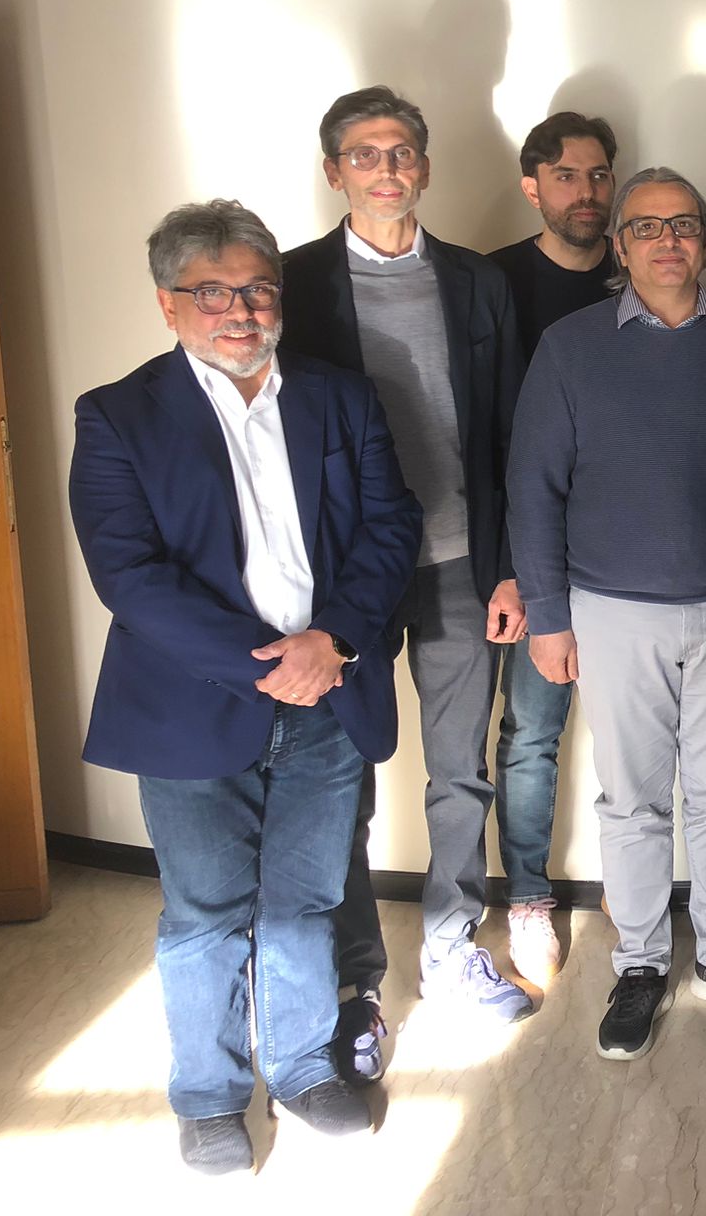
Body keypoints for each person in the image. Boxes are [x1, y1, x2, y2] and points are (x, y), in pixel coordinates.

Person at [69, 201, 421, 1175]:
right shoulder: (118, 415)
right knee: (205, 912)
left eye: (258, 288)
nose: (240, 309)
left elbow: (391, 525)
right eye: (213, 292)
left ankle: (303, 1067)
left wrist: (331, 643)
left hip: (329, 696)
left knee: (307, 898)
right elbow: (129, 575)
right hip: (193, 706)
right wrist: (273, 664)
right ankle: (210, 1096)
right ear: (168, 304)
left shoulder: (340, 398)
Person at [509, 168, 706, 1060]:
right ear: (620, 246)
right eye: (647, 227)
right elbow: (532, 486)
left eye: (684, 225)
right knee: (630, 801)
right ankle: (638, 964)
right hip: (611, 610)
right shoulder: (570, 347)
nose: (668, 241)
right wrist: (548, 616)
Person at [282, 85, 531, 1077]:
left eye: (400, 152)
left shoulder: (476, 282)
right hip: (343, 579)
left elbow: (510, 429)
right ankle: (354, 981)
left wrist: (511, 566)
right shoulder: (293, 284)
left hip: (465, 561)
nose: (386, 169)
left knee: (459, 768)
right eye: (364, 153)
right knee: (338, 776)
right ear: (333, 171)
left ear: (423, 167)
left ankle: (449, 947)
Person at [486, 109, 620, 985]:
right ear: (532, 186)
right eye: (567, 175)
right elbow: (489, 437)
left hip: (625, 556)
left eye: (599, 174)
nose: (587, 191)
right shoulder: (492, 284)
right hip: (535, 556)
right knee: (532, 732)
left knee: (632, 736)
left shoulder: (638, 276)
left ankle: (630, 882)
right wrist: (511, 569)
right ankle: (529, 897)